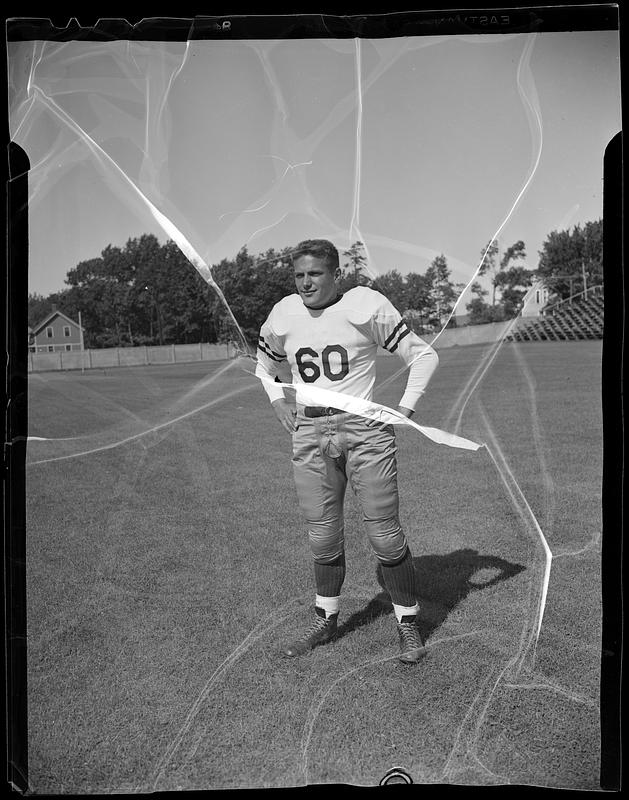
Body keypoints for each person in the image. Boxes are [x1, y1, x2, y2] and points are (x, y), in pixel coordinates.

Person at [255, 239, 439, 663]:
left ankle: (408, 625)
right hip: (309, 431)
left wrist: (403, 410)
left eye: (315, 274)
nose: (305, 283)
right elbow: (263, 366)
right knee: (322, 536)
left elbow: (423, 356)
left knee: (385, 536)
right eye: (299, 275)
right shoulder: (284, 312)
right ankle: (326, 619)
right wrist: (278, 400)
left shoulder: (364, 304)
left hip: (363, 430)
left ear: (335, 274)